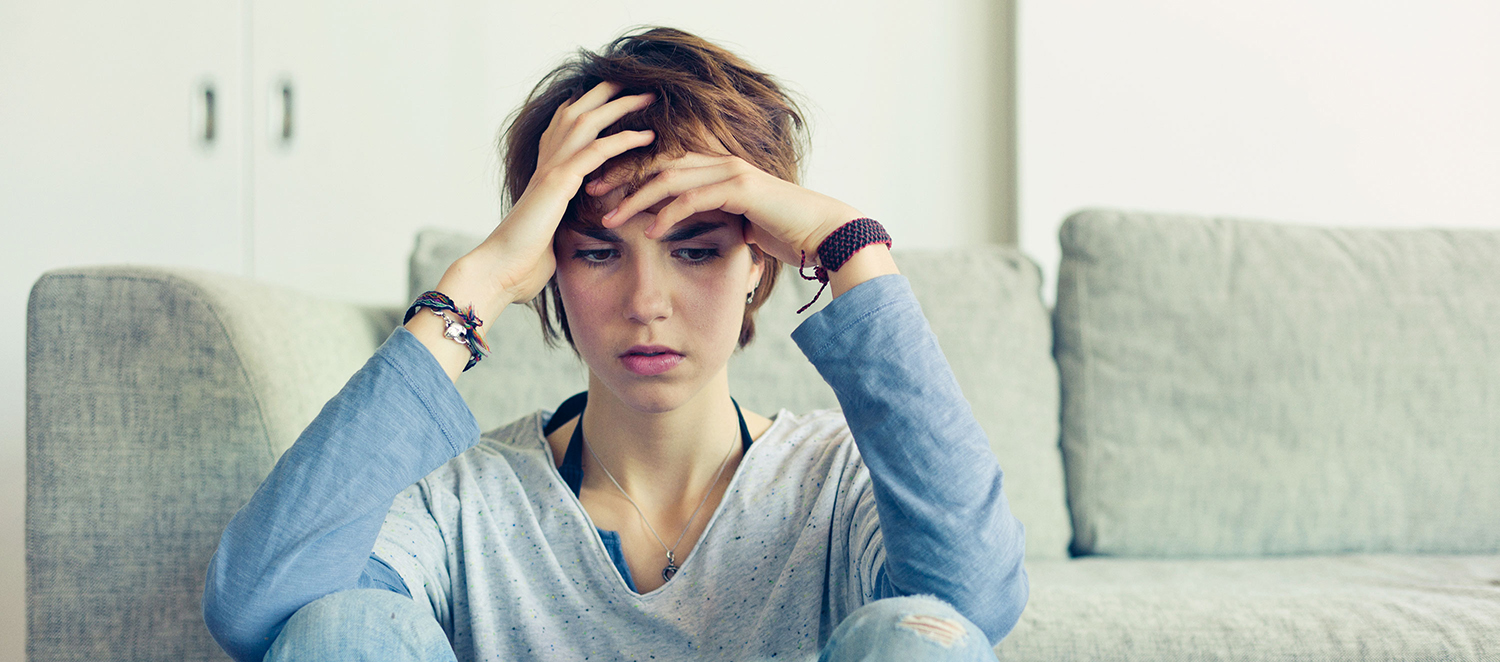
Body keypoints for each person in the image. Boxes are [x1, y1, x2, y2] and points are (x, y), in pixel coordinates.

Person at [203, 26, 1027, 662]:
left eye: (697, 249)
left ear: (759, 262)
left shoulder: (836, 482)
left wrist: (852, 245)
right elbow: (256, 607)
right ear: (551, 267)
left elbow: (973, 601)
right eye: (598, 252)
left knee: (921, 633)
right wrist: (478, 282)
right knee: (341, 623)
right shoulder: (461, 500)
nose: (646, 303)